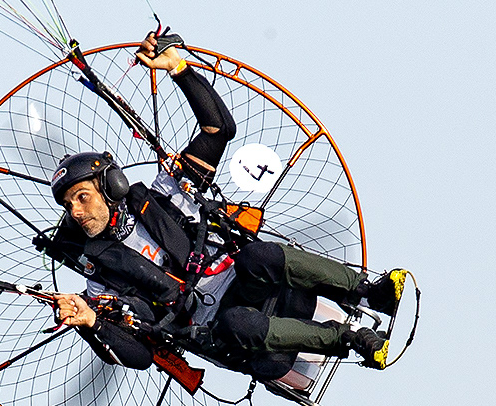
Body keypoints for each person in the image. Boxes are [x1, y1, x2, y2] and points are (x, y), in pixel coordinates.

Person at [42, 28, 406, 379]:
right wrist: (90, 323)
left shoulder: (166, 196)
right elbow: (139, 357)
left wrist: (177, 68)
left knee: (258, 255)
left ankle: (371, 292)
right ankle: (352, 340)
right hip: (227, 334)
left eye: (82, 197)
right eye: (68, 205)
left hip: (248, 281)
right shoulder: (100, 281)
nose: (75, 211)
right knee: (238, 322)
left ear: (112, 185)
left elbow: (218, 130)